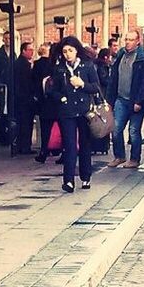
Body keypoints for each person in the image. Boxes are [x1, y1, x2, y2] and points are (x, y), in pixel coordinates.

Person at [45, 36, 100, 192]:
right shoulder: (59, 69)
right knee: (69, 146)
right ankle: (68, 181)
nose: (67, 54)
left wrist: (82, 84)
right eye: (64, 51)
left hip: (84, 111)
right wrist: (61, 97)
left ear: (77, 51)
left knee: (85, 144)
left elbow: (96, 87)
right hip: (66, 111)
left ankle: (86, 177)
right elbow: (52, 90)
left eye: (70, 50)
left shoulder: (87, 66)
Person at [106, 27, 144, 170]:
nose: (127, 42)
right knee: (116, 129)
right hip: (121, 99)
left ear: (138, 41)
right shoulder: (120, 55)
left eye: (131, 40)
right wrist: (110, 100)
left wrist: (139, 101)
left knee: (134, 131)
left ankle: (134, 159)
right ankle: (119, 156)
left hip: (136, 101)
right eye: (126, 39)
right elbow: (113, 79)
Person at [32, 42, 56, 163]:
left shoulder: (37, 65)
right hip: (56, 102)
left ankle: (44, 150)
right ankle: (59, 150)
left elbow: (33, 82)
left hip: (43, 101)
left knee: (45, 128)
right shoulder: (55, 65)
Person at [13, 40, 35, 154]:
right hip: (25, 99)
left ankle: (22, 145)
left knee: (22, 123)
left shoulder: (19, 63)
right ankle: (25, 146)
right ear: (23, 51)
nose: (32, 52)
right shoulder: (24, 65)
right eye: (30, 50)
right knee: (26, 123)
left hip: (20, 98)